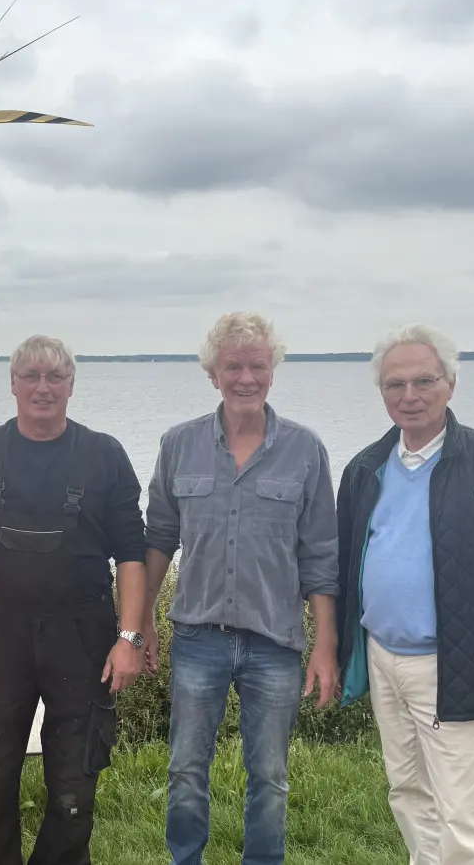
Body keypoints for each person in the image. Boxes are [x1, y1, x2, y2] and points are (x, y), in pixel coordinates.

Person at [334, 323, 474, 865]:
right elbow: (344, 569)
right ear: (382, 393)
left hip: (455, 664)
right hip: (385, 659)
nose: (409, 396)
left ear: (451, 384)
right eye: (395, 385)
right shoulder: (366, 468)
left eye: (424, 381)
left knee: (464, 812)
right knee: (409, 796)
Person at [0, 335, 149, 865]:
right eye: (30, 376)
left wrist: (130, 637)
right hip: (2, 634)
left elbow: (131, 554)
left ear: (72, 385)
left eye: (55, 377)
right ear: (12, 384)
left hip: (83, 636)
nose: (43, 387)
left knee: (75, 787)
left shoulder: (104, 455)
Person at [142, 311, 340, 865]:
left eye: (257, 365)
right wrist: (139, 625)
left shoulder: (306, 450)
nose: (245, 377)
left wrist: (325, 645)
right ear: (213, 374)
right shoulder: (178, 445)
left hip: (275, 642)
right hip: (197, 638)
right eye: (233, 366)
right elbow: (158, 540)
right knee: (184, 770)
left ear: (272, 372)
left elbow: (322, 555)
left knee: (270, 778)